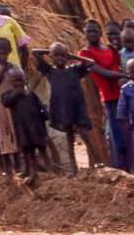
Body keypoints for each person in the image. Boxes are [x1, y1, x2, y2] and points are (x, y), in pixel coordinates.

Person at [40, 42, 95, 174]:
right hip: (62, 108)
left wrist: (73, 56)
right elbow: (35, 53)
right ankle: (74, 167)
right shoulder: (49, 71)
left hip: (77, 107)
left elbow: (90, 62)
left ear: (68, 57)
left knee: (84, 134)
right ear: (51, 57)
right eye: (56, 56)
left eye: (63, 56)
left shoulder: (75, 70)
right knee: (69, 137)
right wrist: (50, 51)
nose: (60, 59)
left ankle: (94, 162)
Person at [78, 19, 124, 165]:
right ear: (84, 33)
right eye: (89, 31)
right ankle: (120, 165)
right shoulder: (85, 53)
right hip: (109, 96)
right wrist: (124, 76)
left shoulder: (111, 49)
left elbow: (119, 66)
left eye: (94, 30)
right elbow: (101, 72)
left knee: (128, 130)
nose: (92, 34)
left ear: (100, 32)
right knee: (116, 133)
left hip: (123, 93)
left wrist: (124, 76)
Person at [0, 65, 49, 181]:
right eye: (15, 81)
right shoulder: (8, 95)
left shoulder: (31, 94)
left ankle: (49, 169)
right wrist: (16, 93)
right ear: (10, 81)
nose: (18, 83)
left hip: (36, 128)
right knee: (27, 151)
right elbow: (6, 102)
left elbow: (41, 108)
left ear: (24, 79)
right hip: (22, 128)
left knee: (42, 148)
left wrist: (45, 114)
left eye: (20, 80)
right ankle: (30, 171)